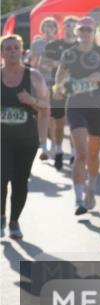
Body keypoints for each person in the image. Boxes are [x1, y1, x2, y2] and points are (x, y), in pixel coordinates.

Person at [55, 16, 100, 215]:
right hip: (76, 105)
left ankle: (91, 190)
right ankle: (78, 200)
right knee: (81, 154)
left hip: (98, 106)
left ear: (94, 33)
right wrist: (59, 88)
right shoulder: (69, 54)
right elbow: (60, 78)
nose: (85, 33)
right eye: (82, 29)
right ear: (77, 32)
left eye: (89, 30)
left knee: (93, 155)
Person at [1, 35, 49, 239]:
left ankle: (14, 222)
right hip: (1, 138)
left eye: (16, 48)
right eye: (8, 48)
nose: (12, 51)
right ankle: (1, 216)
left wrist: (31, 100)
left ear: (22, 50)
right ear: (2, 52)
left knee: (20, 181)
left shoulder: (34, 76)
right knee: (1, 178)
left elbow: (46, 106)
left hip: (26, 138)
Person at [42, 16, 80, 170]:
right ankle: (58, 150)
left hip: (76, 88)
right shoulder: (53, 45)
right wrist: (59, 65)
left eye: (73, 25)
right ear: (63, 28)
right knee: (59, 124)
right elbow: (42, 64)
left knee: (73, 123)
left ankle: (73, 154)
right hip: (57, 87)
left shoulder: (82, 46)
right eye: (68, 25)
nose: (70, 28)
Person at [29, 17, 58, 161]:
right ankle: (43, 144)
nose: (49, 28)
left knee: (52, 115)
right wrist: (34, 63)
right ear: (42, 27)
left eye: (52, 26)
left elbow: (64, 64)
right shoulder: (37, 43)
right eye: (46, 25)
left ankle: (53, 142)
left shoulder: (59, 44)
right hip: (39, 80)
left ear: (55, 28)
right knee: (40, 112)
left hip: (54, 81)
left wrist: (54, 64)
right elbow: (33, 62)